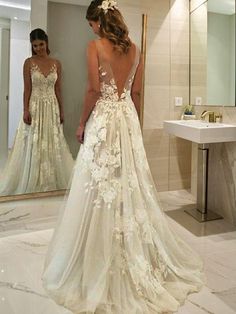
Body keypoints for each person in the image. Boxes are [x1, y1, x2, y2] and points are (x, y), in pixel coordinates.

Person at [42, 1, 205, 313]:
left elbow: (92, 90)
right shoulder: (136, 48)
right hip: (126, 117)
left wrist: (80, 123)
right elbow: (136, 92)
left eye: (91, 24)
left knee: (97, 183)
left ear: (98, 22)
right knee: (128, 184)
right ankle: (131, 248)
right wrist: (132, 125)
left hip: (104, 118)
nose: (90, 30)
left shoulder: (95, 47)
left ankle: (94, 254)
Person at [0, 28, 74, 196]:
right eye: (35, 46)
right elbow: (27, 89)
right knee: (33, 142)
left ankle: (50, 180)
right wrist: (25, 109)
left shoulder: (57, 63)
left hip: (52, 107)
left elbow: (58, 89)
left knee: (51, 141)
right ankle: (33, 179)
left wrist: (62, 111)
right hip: (35, 106)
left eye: (41, 44)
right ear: (31, 46)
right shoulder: (29, 62)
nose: (38, 48)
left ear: (46, 42)